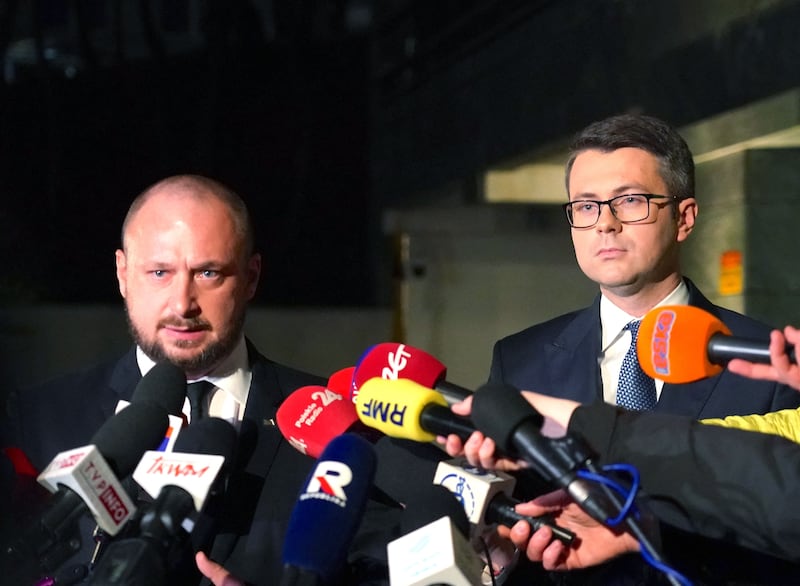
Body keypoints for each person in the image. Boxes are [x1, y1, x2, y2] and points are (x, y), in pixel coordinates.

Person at [1, 175, 392, 585]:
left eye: (208, 273)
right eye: (159, 272)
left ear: (252, 277)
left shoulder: (338, 427)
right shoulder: (36, 420)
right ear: (122, 273)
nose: (183, 303)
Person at [484, 113, 800, 584]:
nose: (605, 224)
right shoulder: (520, 360)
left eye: (630, 201)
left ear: (685, 218)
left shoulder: (767, 361)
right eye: (586, 206)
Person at [443, 324, 800, 580]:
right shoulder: (517, 353)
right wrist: (644, 523)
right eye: (586, 211)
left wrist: (576, 428)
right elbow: (756, 449)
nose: (605, 223)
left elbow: (775, 480)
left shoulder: (756, 343)